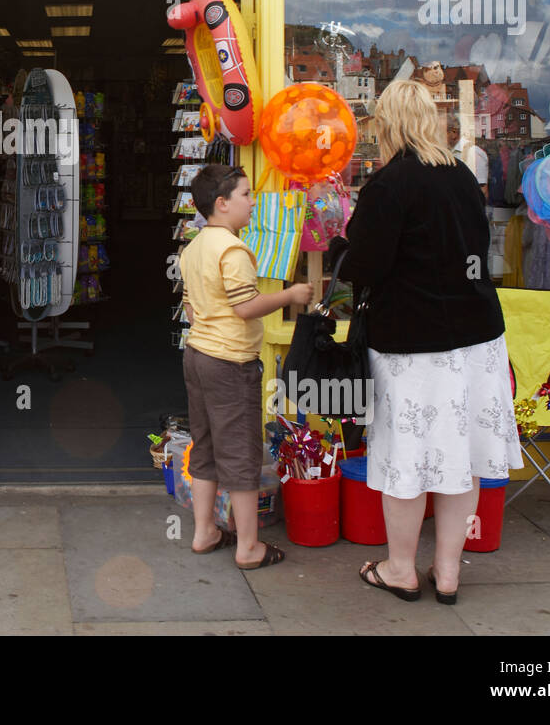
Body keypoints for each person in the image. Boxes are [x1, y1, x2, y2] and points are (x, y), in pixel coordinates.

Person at [329, 79, 522, 604]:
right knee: (463, 457)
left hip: (413, 344)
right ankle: (449, 573)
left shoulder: (389, 185)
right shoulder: (461, 176)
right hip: (477, 338)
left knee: (406, 460)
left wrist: (340, 245)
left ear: (388, 124)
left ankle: (399, 569)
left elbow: (365, 266)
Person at [180, 163, 314, 570]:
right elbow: (245, 307)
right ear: (222, 204)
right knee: (240, 453)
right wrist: (291, 294)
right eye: (246, 195)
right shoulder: (233, 250)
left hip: (197, 355)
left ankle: (204, 531)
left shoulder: (194, 246)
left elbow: (188, 305)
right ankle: (249, 547)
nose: (253, 203)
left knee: (204, 446)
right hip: (230, 362)